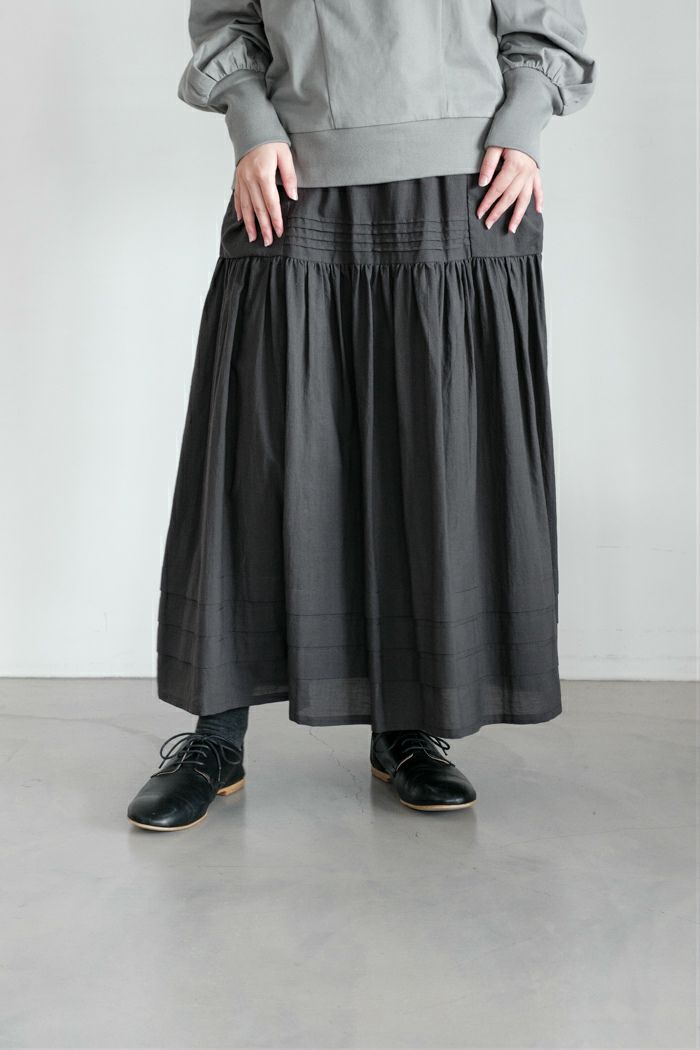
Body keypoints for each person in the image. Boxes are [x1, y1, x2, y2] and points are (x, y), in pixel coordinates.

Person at [127, 0, 596, 830]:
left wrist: (524, 128)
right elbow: (227, 18)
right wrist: (251, 125)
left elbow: (545, 19)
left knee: (432, 462)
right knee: (254, 461)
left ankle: (406, 728)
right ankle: (217, 737)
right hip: (291, 172)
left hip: (464, 182)